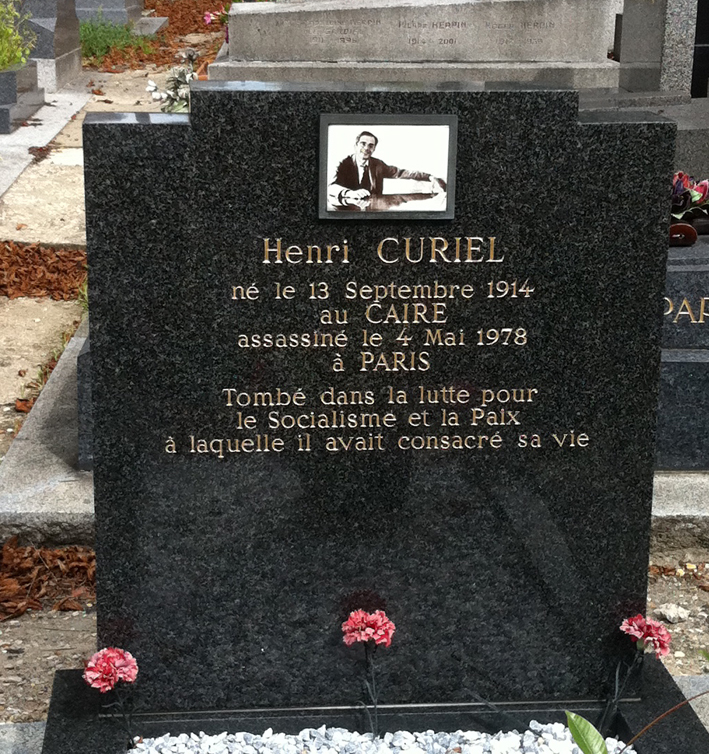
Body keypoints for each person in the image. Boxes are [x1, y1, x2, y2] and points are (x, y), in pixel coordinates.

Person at [328, 131, 446, 207]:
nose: (366, 148)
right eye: (362, 144)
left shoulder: (378, 164)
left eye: (371, 145)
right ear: (355, 146)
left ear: (374, 149)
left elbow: (402, 173)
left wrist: (430, 177)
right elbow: (331, 188)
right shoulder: (343, 163)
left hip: (372, 212)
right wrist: (350, 193)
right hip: (347, 213)